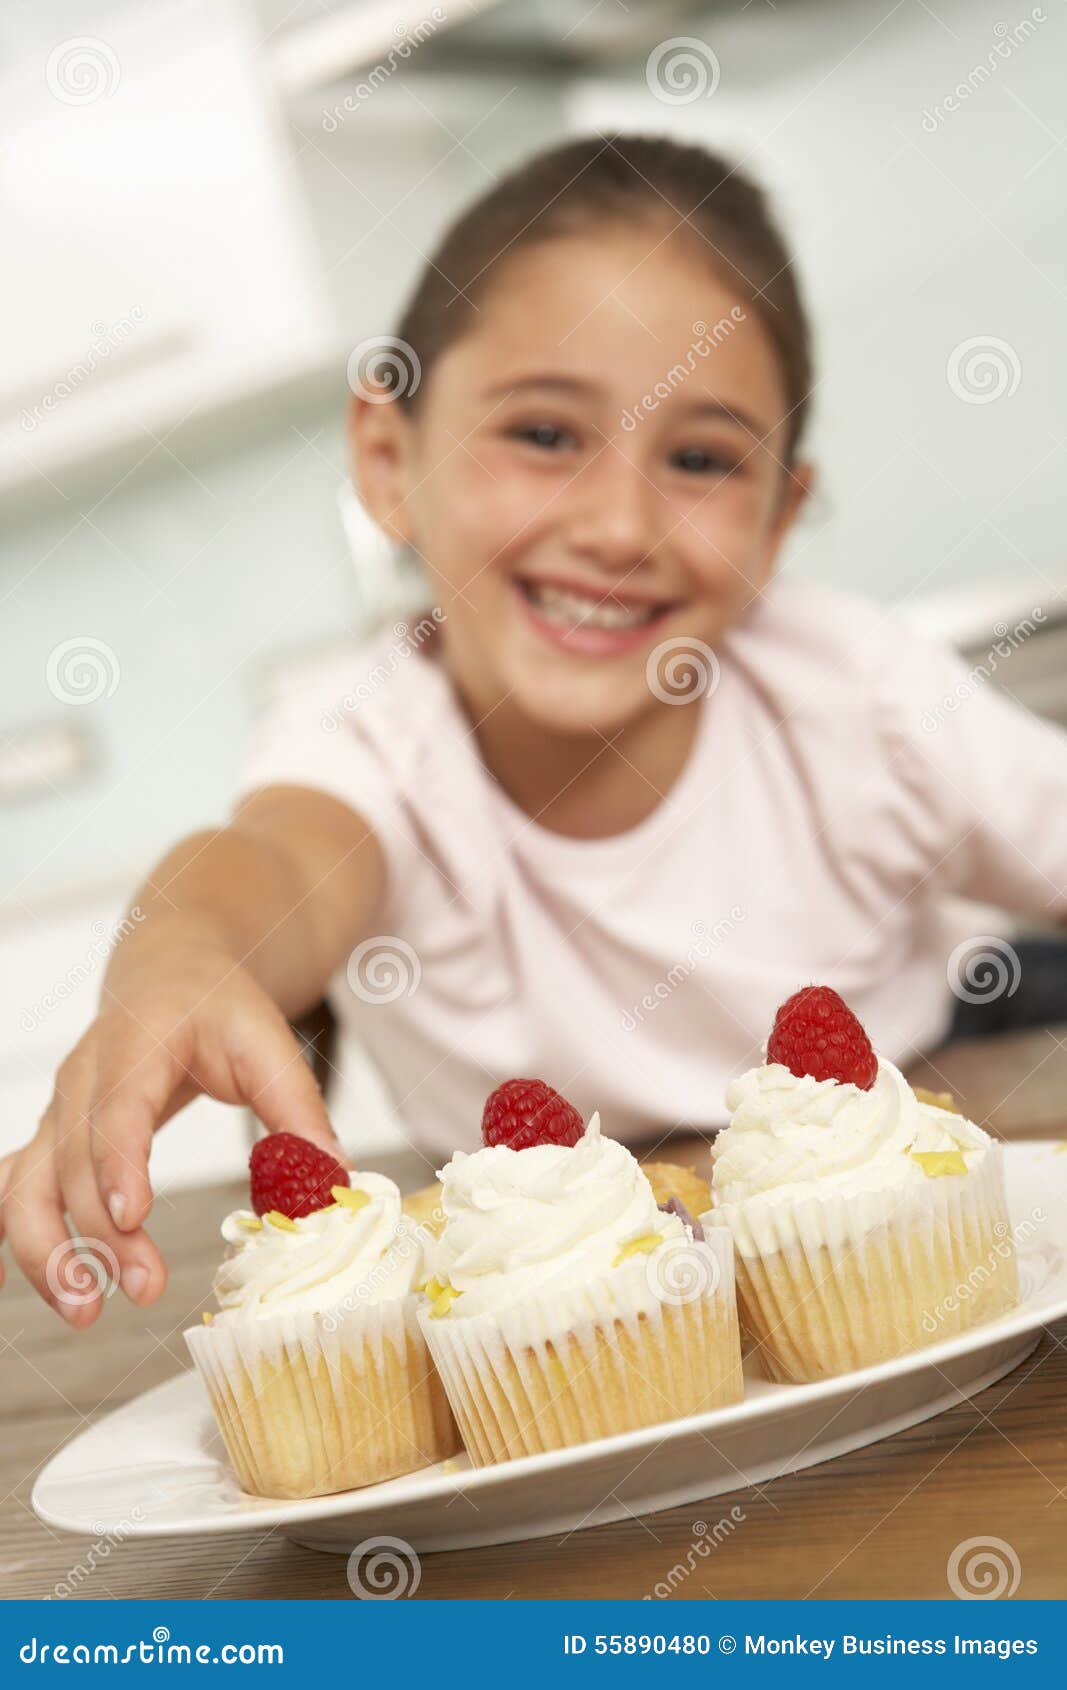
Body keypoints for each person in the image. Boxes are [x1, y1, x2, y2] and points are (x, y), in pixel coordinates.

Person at [3, 135, 1065, 1326]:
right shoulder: (372, 736)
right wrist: (178, 961)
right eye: (546, 435)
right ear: (387, 457)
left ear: (777, 521)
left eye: (702, 459)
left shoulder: (852, 689)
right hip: (579, 1255)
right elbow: (274, 861)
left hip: (949, 1086)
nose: (618, 524)